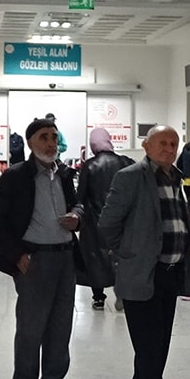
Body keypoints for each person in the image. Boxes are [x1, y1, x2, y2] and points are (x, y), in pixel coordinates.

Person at [99, 125, 190, 379]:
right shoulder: (130, 177)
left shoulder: (175, 177)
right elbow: (107, 224)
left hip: (170, 272)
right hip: (142, 273)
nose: (169, 149)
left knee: (156, 345)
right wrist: (129, 253)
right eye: (162, 143)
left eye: (173, 144)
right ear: (146, 146)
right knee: (149, 347)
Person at [0, 117, 84, 379]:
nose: (51, 143)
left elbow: (79, 205)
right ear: (30, 143)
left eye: (54, 137)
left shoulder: (65, 173)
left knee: (61, 327)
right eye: (44, 137)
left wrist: (77, 217)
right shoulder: (15, 176)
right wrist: (17, 255)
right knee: (32, 328)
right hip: (34, 260)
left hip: (65, 258)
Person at [76, 127, 134, 309]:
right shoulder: (126, 162)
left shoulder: (89, 165)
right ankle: (122, 292)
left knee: (95, 259)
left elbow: (80, 196)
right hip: (122, 220)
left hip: (94, 222)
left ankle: (98, 297)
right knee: (121, 257)